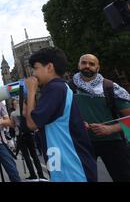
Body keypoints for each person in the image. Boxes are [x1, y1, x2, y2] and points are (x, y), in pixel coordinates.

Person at [25, 47, 97, 182]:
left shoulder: (54, 88)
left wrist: (31, 92)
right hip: (64, 164)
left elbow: (31, 124)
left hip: (71, 167)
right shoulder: (61, 87)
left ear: (49, 67)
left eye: (36, 68)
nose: (34, 74)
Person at [68, 53, 130, 182]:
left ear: (98, 68)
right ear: (78, 65)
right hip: (82, 144)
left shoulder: (110, 88)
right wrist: (76, 123)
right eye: (84, 63)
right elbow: (60, 116)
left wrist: (111, 129)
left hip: (113, 143)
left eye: (91, 64)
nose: (87, 66)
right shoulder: (68, 89)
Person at [10, 99, 47, 181]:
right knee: (30, 156)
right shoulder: (21, 112)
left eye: (16, 104)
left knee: (30, 156)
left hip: (23, 135)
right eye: (15, 104)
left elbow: (12, 125)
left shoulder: (17, 113)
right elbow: (14, 125)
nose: (16, 105)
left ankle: (37, 175)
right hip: (25, 135)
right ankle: (38, 175)